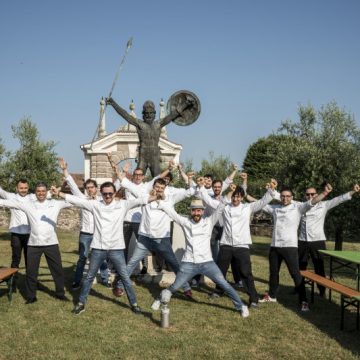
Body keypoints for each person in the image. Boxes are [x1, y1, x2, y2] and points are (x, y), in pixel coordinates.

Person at [51, 169, 157, 315]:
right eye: (105, 193)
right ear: (101, 193)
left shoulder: (123, 205)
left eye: (110, 193)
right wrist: (59, 194)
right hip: (98, 248)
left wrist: (156, 196)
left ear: (114, 193)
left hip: (116, 248)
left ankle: (134, 304)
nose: (107, 196)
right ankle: (81, 303)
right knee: (89, 277)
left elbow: (141, 200)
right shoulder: (96, 205)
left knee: (125, 277)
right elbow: (77, 200)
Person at [151, 197, 250, 318]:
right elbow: (173, 213)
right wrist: (159, 202)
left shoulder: (209, 222)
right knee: (175, 286)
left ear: (202, 211)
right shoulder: (185, 222)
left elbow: (219, 210)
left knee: (224, 284)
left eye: (199, 210)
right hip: (189, 263)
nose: (196, 213)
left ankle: (241, 306)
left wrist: (226, 198)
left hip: (207, 263)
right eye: (194, 210)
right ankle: (160, 298)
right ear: (190, 211)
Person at [114, 177, 195, 297]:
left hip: (162, 239)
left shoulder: (170, 199)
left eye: (162, 188)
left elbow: (188, 193)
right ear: (153, 187)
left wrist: (191, 180)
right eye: (157, 187)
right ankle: (120, 286)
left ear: (165, 189)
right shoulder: (145, 197)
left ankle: (186, 288)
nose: (159, 190)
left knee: (174, 264)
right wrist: (121, 176)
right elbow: (131, 187)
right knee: (132, 262)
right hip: (145, 238)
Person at [200, 180, 277, 307]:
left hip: (242, 245)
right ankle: (219, 290)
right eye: (234, 196)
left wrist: (271, 191)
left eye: (238, 196)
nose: (235, 198)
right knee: (220, 270)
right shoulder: (225, 206)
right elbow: (209, 201)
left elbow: (263, 201)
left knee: (246, 272)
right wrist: (202, 188)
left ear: (242, 197)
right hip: (226, 244)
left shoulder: (248, 207)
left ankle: (253, 298)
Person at [259, 184, 334, 311]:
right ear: (280, 197)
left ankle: (303, 301)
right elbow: (258, 204)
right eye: (282, 196)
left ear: (292, 197)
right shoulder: (275, 209)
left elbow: (313, 201)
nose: (285, 198)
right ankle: (271, 296)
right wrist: (244, 191)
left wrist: (324, 193)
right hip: (275, 247)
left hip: (290, 247)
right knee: (273, 273)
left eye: (288, 196)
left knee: (296, 274)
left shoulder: (298, 208)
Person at [0, 182, 71, 303]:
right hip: (33, 244)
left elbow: (73, 200)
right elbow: (6, 202)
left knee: (57, 270)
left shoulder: (55, 203)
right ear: (35, 193)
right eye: (38, 191)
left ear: (46, 192)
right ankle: (31, 297)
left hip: (51, 243)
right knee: (31, 272)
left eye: (43, 191)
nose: (41, 193)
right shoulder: (28, 205)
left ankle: (60, 293)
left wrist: (61, 192)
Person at [106, 97, 194, 177]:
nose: (148, 115)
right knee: (136, 179)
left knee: (158, 180)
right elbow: (124, 114)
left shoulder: (158, 124)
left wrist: (185, 104)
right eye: (146, 113)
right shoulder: (139, 123)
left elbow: (173, 114)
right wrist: (113, 103)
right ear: (143, 114)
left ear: (154, 114)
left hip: (155, 156)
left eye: (151, 113)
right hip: (143, 157)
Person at [298, 183, 360, 296]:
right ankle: (299, 288)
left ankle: (322, 290)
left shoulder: (324, 205)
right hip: (302, 240)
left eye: (312, 194)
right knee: (300, 266)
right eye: (308, 194)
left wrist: (353, 191)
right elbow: (284, 199)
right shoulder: (301, 206)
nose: (310, 196)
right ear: (305, 196)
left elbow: (339, 199)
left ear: (317, 194)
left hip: (317, 241)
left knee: (319, 266)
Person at [58, 158, 110, 289]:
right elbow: (72, 184)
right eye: (87, 188)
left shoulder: (103, 200)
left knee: (102, 257)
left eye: (92, 187)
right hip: (85, 234)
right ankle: (77, 281)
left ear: (96, 188)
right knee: (82, 258)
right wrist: (65, 170)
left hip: (99, 233)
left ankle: (105, 279)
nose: (90, 190)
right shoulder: (82, 199)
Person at [0, 180, 31, 291]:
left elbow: (46, 194)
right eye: (21, 188)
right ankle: (13, 283)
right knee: (15, 259)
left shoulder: (32, 197)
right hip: (16, 234)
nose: (23, 190)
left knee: (30, 260)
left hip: (29, 234)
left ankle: (30, 282)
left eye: (25, 188)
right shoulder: (11, 196)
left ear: (28, 188)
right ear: (16, 188)